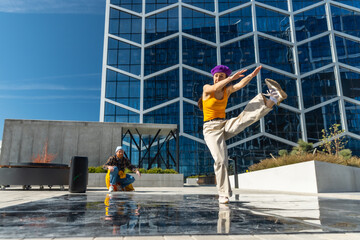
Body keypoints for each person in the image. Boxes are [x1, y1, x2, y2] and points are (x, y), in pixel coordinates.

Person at [200, 65, 287, 204]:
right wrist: (229, 78)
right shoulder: (207, 88)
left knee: (244, 119)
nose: (217, 78)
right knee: (221, 160)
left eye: (221, 76)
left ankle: (273, 98)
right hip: (211, 129)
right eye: (216, 76)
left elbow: (240, 84)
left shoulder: (227, 90)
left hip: (224, 124)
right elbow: (215, 88)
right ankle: (223, 194)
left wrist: (251, 76)